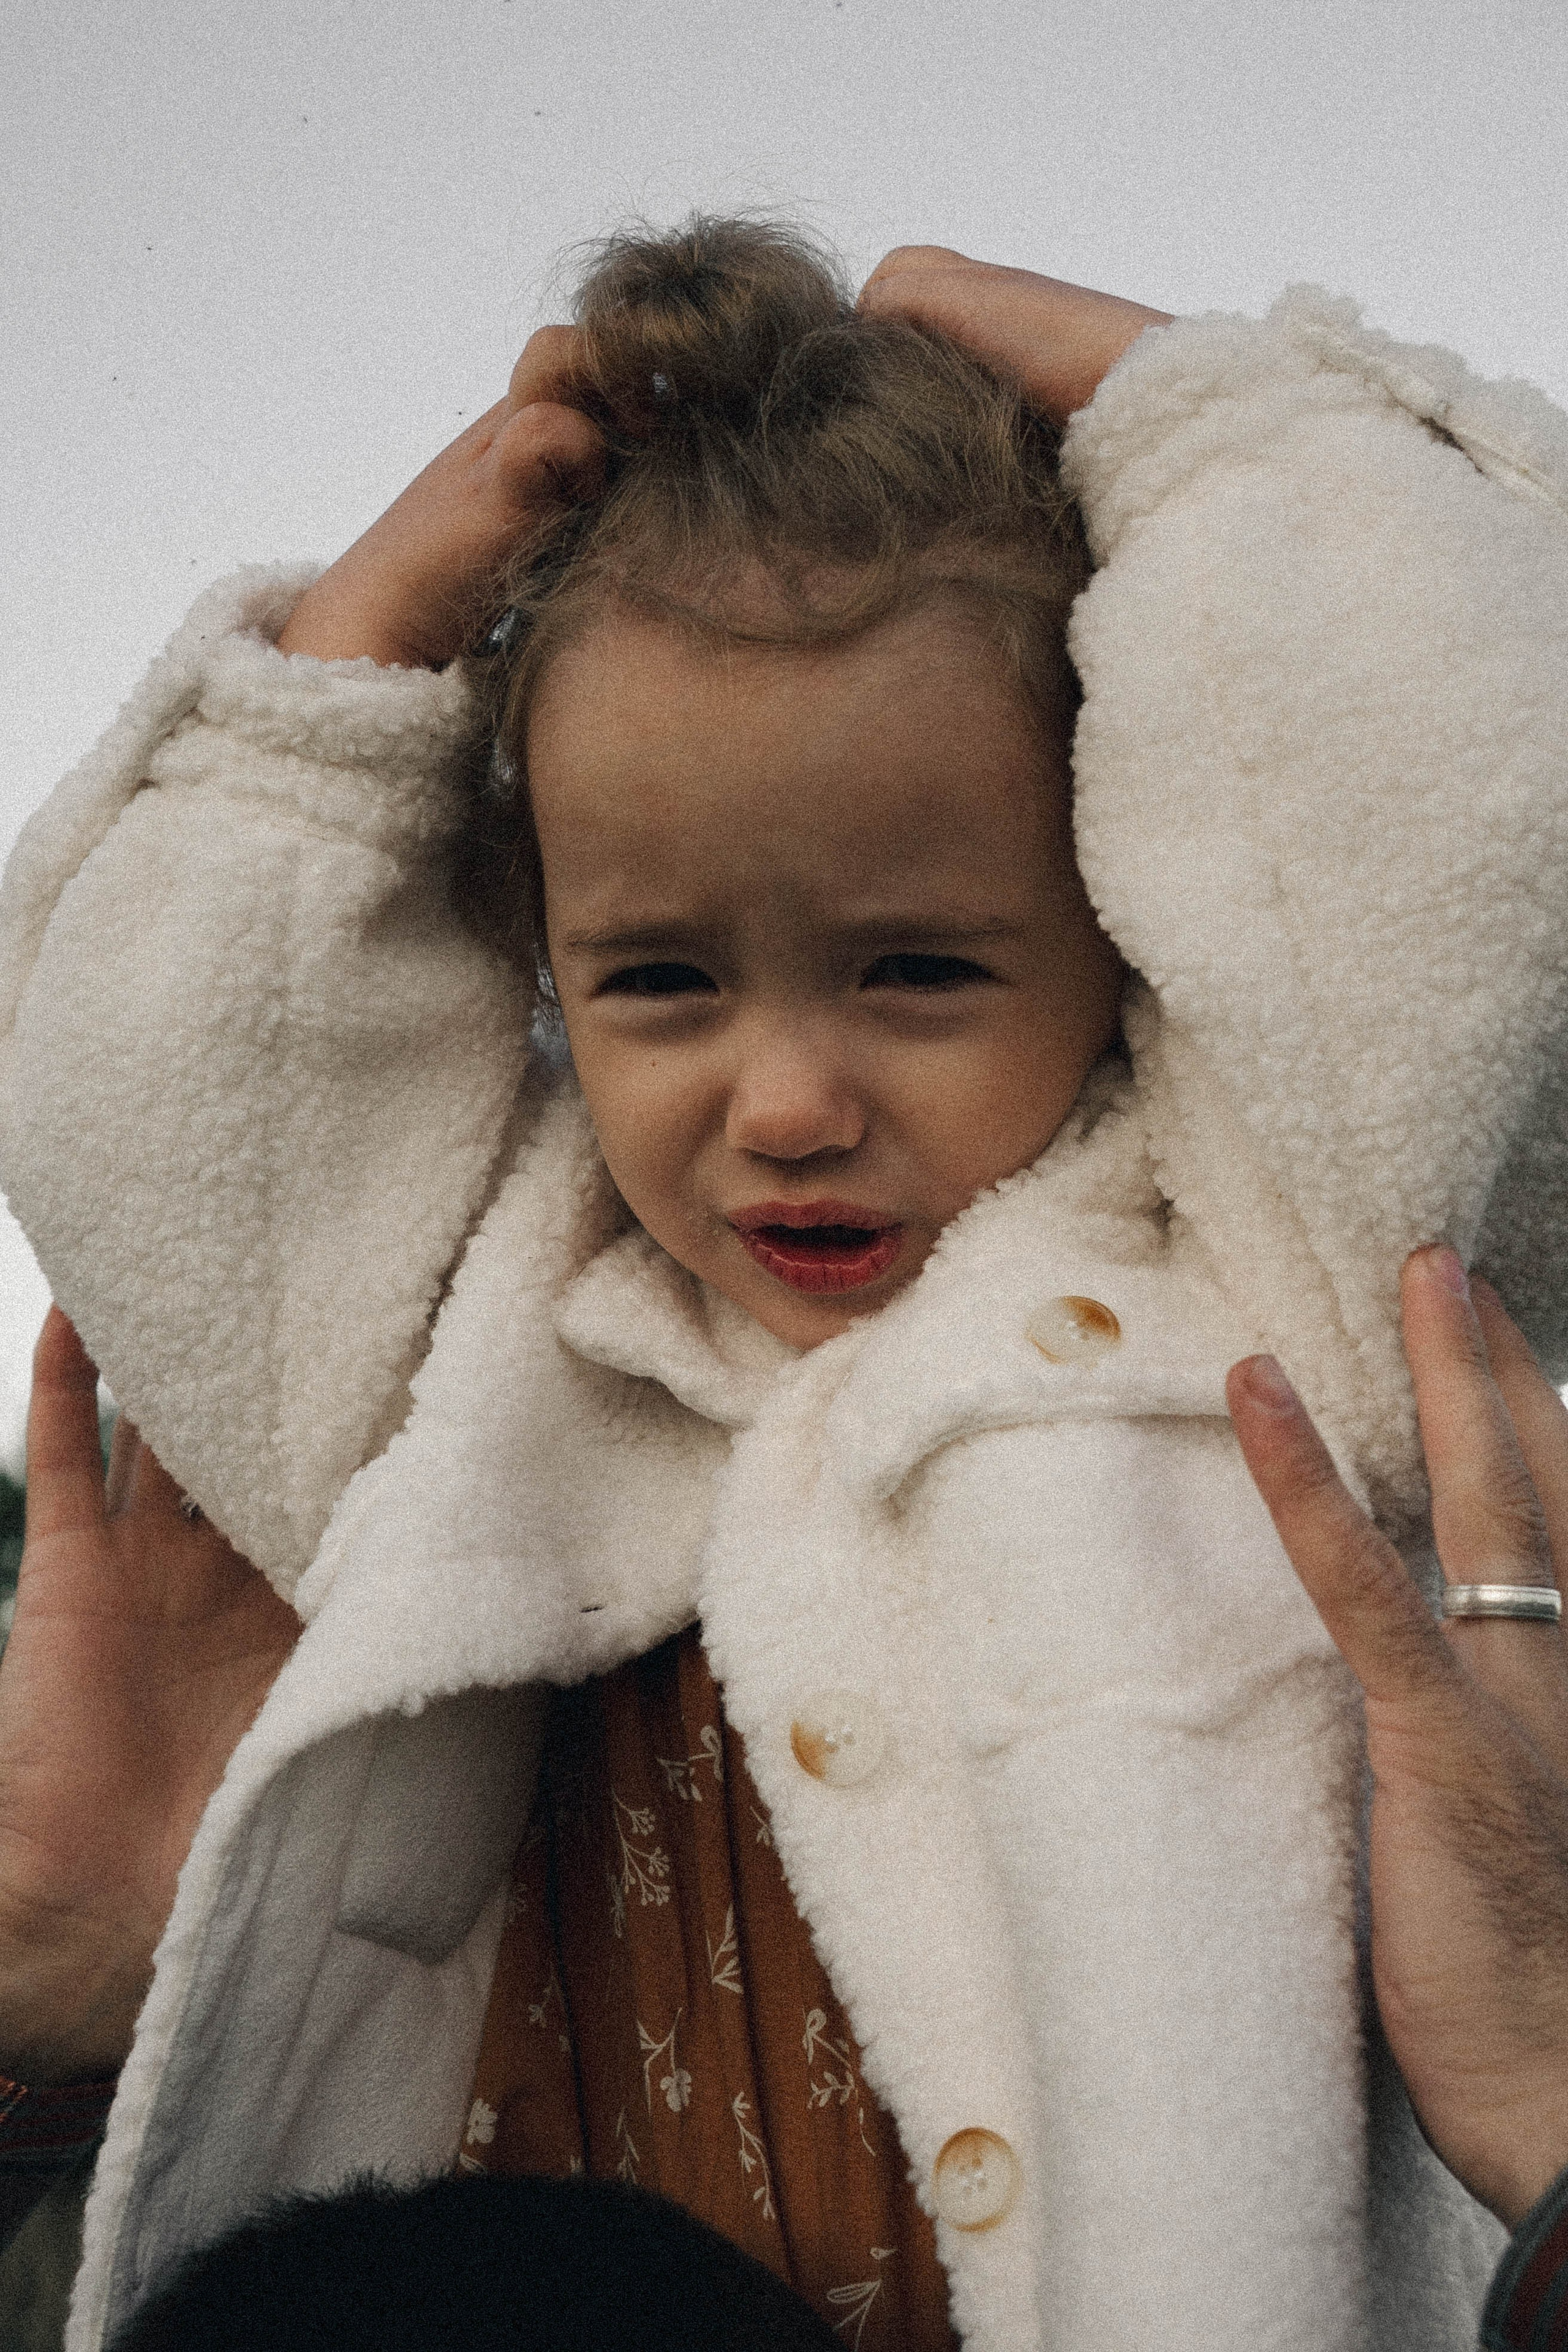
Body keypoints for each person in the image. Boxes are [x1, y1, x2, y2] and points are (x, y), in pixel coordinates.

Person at [0, 220, 1564, 2351]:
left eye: (916, 968)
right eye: (658, 981)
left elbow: (1452, 819)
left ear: (1124, 926)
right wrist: (348, 655)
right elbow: (169, 1094)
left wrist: (1219, 421)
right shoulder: (488, 1361)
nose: (789, 1101)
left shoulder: (1265, 1295)